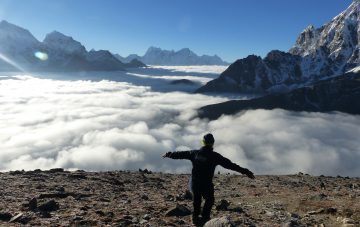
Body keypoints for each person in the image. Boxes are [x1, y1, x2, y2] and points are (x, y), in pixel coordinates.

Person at [163, 133, 255, 225]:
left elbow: (180, 154)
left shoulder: (194, 153)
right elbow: (230, 165)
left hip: (194, 183)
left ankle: (195, 219)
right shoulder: (215, 156)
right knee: (210, 200)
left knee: (197, 200)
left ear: (203, 142)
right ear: (213, 143)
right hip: (206, 184)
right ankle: (205, 218)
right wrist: (245, 171)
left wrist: (169, 154)